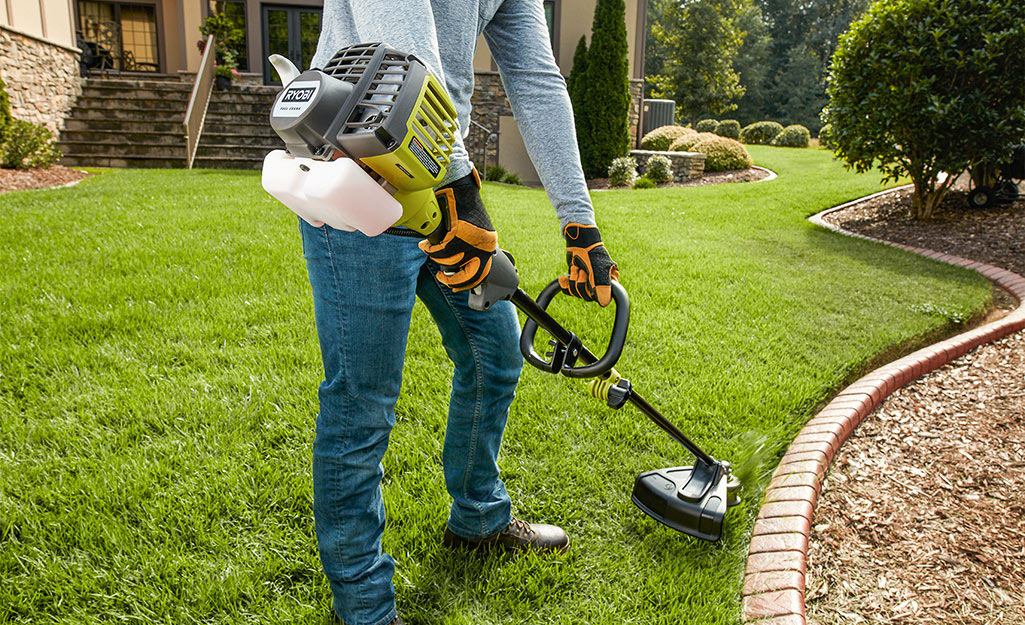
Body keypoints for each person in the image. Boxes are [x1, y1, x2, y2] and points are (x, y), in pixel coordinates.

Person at [301, 1, 620, 624]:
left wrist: (580, 223)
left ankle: (477, 517)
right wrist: (460, 193)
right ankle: (363, 606)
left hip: (438, 182)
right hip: (355, 179)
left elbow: (535, 78)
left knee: (497, 353)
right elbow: (404, 53)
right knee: (361, 401)